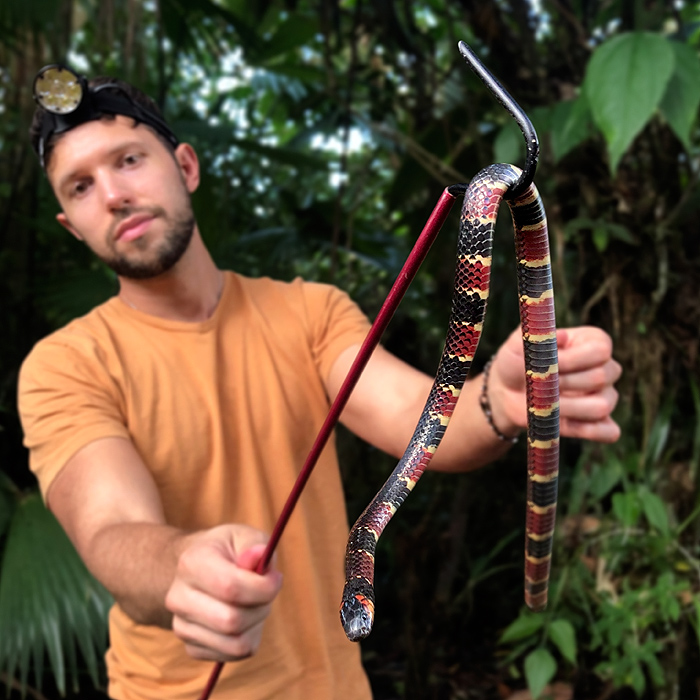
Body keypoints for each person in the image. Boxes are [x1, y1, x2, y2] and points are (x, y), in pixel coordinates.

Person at [18, 69, 622, 700]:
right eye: (81, 186)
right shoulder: (66, 365)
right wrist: (178, 568)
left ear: (186, 166)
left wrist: (501, 395)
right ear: (71, 225)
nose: (113, 194)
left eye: (130, 160)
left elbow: (427, 427)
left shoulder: (308, 313)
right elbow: (112, 531)